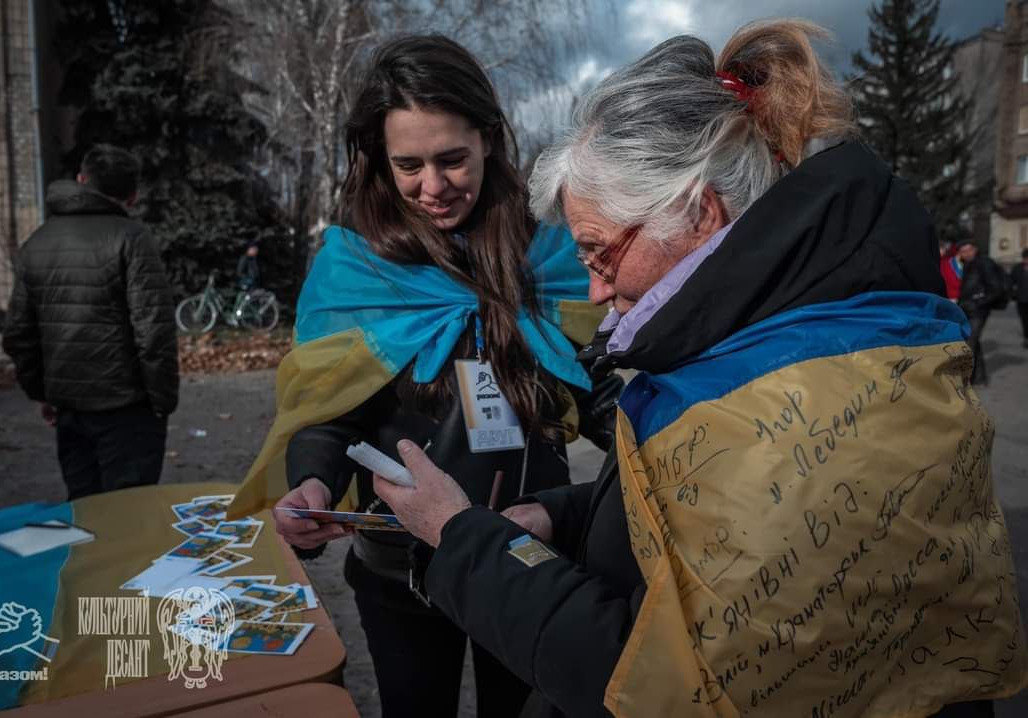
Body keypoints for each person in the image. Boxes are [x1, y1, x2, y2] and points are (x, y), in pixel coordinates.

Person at [371, 20, 1028, 718]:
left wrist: (462, 538)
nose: (593, 289)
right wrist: (561, 517)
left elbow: (654, 685)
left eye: (598, 252)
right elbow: (685, 512)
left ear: (698, 214)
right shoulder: (778, 335)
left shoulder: (785, 400)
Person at [226, 36, 621, 718]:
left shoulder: (548, 254)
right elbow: (330, 406)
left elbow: (593, 381)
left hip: (528, 555)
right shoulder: (356, 267)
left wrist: (675, 447)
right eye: (408, 165)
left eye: (451, 160)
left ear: (490, 141)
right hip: (400, 564)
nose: (432, 188)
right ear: (380, 158)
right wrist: (314, 479)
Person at [3, 144, 178, 500]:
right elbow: (153, 331)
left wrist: (43, 392)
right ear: (131, 195)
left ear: (83, 180)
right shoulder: (131, 239)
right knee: (129, 515)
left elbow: (19, 333)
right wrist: (162, 399)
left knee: (84, 515)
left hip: (70, 409)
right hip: (127, 410)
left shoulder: (37, 242)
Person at [957, 240, 1007, 385]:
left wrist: (978, 302)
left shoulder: (984, 263)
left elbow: (996, 289)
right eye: (962, 251)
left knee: (969, 344)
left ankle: (965, 380)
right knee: (973, 342)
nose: (965, 254)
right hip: (968, 309)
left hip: (977, 311)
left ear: (975, 249)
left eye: (968, 250)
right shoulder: (969, 264)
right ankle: (979, 377)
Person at [1010, 248, 1028, 347]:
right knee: (1024, 319)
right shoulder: (1017, 268)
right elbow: (1010, 281)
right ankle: (1026, 338)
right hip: (1021, 299)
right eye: (1025, 258)